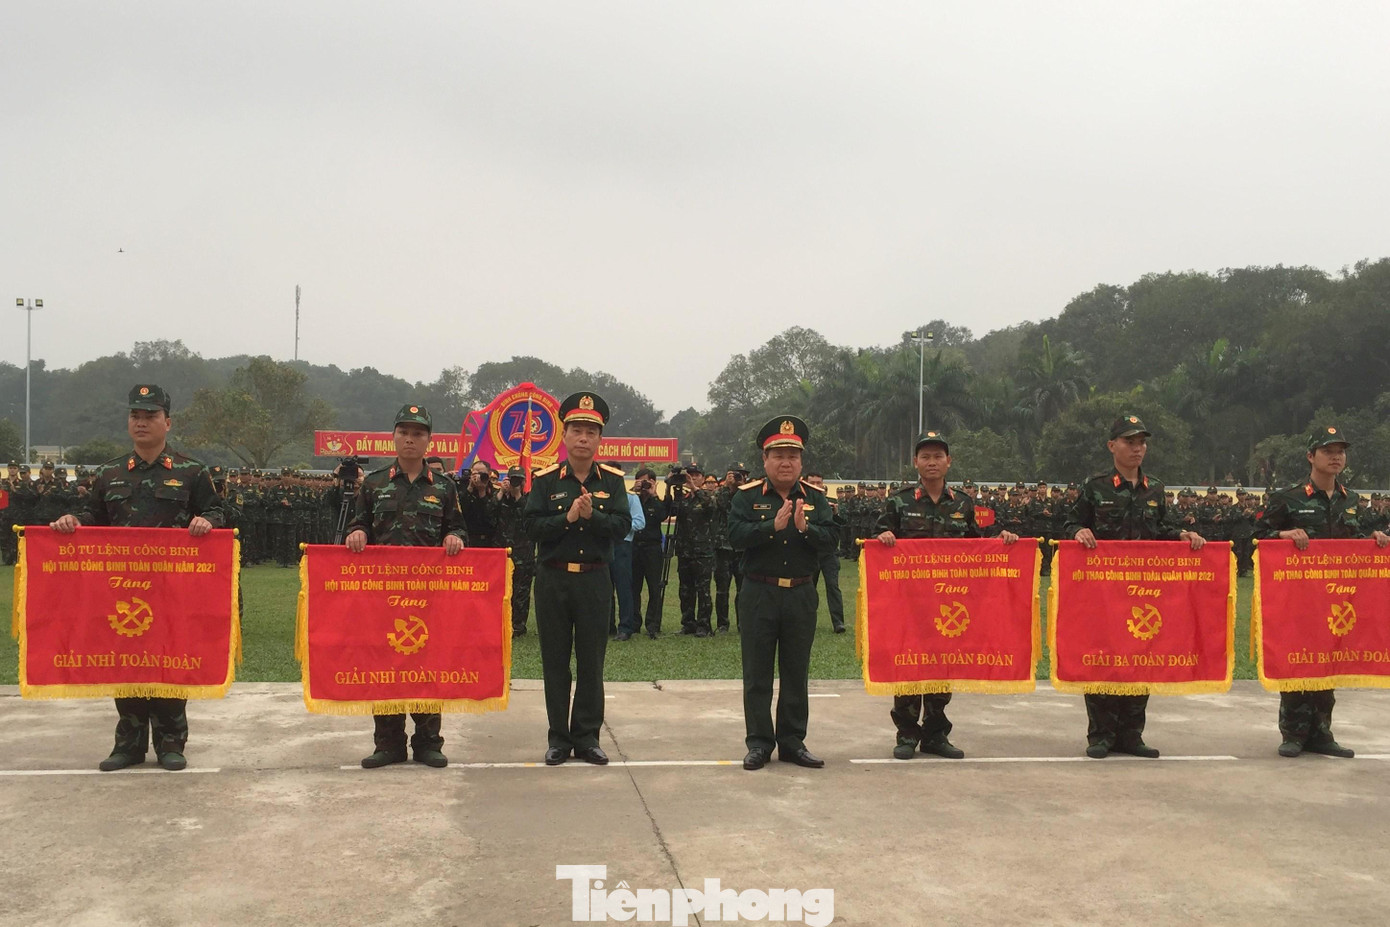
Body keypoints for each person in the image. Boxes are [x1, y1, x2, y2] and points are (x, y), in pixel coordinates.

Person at [51, 384, 224, 772]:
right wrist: (73, 521)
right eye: (135, 416)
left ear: (168, 422)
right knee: (126, 661)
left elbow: (220, 512)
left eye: (150, 416)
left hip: (172, 589)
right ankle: (128, 744)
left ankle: (170, 743)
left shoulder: (192, 472)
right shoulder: (109, 473)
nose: (141, 423)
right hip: (120, 589)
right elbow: (92, 518)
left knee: (169, 660)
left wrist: (207, 520)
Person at [1062, 413, 1206, 760]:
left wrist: (1182, 534)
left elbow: (1162, 529)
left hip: (1144, 591)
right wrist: (1077, 532)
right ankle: (1100, 735)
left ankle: (1131, 734)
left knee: (1141, 655)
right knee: (1102, 655)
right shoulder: (1094, 487)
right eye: (1129, 441)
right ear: (1112, 446)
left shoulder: (1155, 487)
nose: (1137, 448)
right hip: (1103, 590)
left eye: (1141, 442)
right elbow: (1069, 522)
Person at [874, 431, 1021, 760]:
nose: (931, 462)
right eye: (925, 457)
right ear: (915, 462)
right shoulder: (899, 501)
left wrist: (1002, 539)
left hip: (949, 601)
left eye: (938, 456)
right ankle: (907, 734)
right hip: (910, 603)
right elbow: (879, 538)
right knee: (910, 664)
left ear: (948, 462)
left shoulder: (963, 503)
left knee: (942, 663)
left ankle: (936, 735)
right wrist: (882, 536)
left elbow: (976, 545)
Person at [345, 404, 468, 769]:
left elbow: (458, 527)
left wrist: (455, 538)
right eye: (404, 432)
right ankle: (388, 743)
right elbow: (358, 522)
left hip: (429, 595)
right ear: (394, 437)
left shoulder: (444, 487)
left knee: (427, 662)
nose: (410, 439)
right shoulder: (374, 483)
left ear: (429, 440)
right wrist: (358, 532)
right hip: (382, 595)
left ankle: (429, 742)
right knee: (385, 664)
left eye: (418, 433)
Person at [1256, 425, 1390, 758]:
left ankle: (1321, 732)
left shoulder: (1352, 500)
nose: (1336, 457)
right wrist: (1283, 535)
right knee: (1298, 658)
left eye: (1340, 451)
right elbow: (1256, 534)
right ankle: (1294, 732)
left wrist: (1375, 540)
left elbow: (1355, 540)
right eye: (1328, 451)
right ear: (1310, 456)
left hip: (1337, 597)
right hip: (1299, 596)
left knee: (1329, 659)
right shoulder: (1288, 498)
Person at [523, 392, 631, 766]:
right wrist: (567, 518)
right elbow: (531, 527)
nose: (583, 438)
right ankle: (558, 739)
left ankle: (587, 737)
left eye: (591, 432)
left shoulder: (614, 482)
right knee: (555, 662)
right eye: (577, 430)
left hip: (594, 581)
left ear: (600, 439)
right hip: (554, 580)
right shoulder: (545, 480)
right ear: (564, 436)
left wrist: (592, 517)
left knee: (591, 662)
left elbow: (621, 527)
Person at [729, 416, 838, 771]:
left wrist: (806, 529)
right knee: (757, 672)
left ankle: (792, 742)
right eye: (778, 455)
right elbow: (734, 536)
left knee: (795, 671)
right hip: (759, 591)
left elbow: (832, 540)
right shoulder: (746, 498)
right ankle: (759, 743)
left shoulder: (817, 499)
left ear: (801, 461)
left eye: (793, 455)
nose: (786, 462)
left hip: (801, 595)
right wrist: (770, 527)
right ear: (765, 459)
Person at [672, 463, 717, 637]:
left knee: (703, 590)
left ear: (703, 479)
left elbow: (710, 507)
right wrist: (671, 485)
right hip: (684, 550)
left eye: (696, 475)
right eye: (689, 475)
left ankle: (704, 625)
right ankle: (688, 623)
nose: (692, 477)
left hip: (702, 551)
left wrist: (693, 487)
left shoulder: (707, 495)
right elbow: (671, 509)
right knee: (685, 589)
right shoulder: (682, 497)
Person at [492, 466, 536, 638]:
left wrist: (518, 496)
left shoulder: (529, 499)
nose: (516, 483)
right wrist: (501, 493)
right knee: (500, 590)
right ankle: (498, 622)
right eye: (513, 479)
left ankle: (518, 625)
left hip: (523, 551)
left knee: (521, 591)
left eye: (519, 480)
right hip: (501, 551)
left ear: (525, 482)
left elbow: (529, 517)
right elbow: (488, 514)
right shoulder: (500, 497)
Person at [805, 473, 847, 634]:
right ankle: (807, 621)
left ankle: (838, 622)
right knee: (808, 588)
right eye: (812, 482)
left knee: (833, 587)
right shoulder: (803, 502)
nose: (816, 485)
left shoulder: (832, 502)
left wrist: (835, 514)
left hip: (829, 553)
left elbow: (842, 525)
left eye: (819, 482)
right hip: (811, 551)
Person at [629, 468, 667, 639]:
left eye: (646, 482)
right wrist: (633, 492)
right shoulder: (631, 499)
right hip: (634, 546)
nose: (644, 485)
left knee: (654, 587)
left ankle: (653, 624)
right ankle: (634, 623)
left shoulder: (656, 500)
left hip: (652, 548)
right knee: (633, 588)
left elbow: (662, 515)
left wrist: (654, 494)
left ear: (652, 482)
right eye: (640, 481)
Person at [610, 466, 647, 641]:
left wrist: (619, 526)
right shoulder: (597, 495)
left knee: (624, 587)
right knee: (601, 587)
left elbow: (640, 522)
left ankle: (625, 627)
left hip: (622, 545)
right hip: (602, 544)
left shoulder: (630, 498)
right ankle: (606, 625)